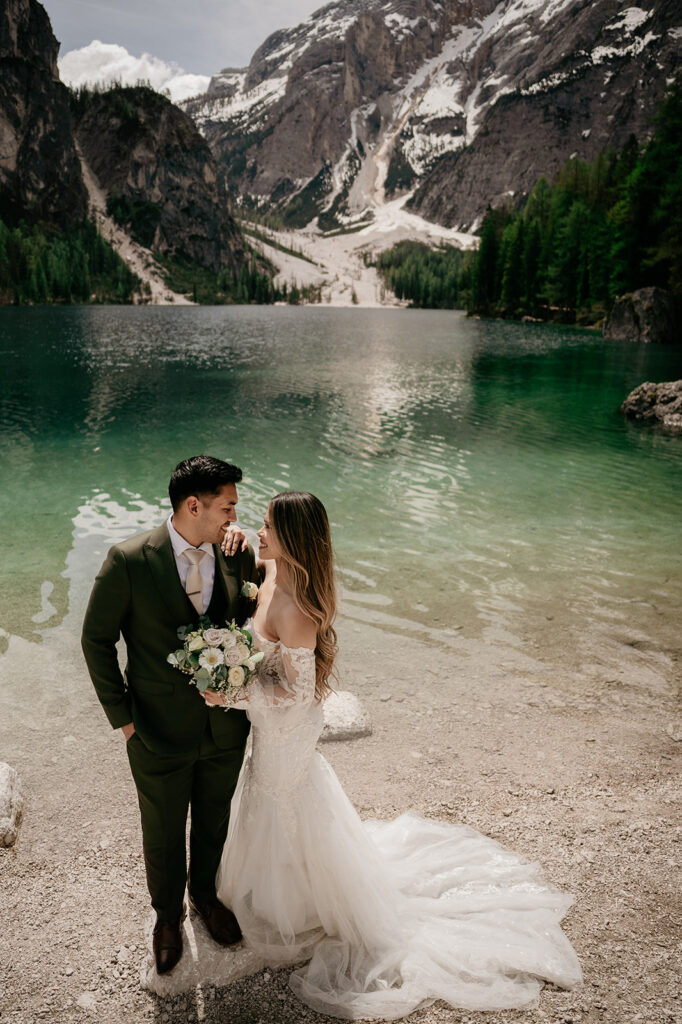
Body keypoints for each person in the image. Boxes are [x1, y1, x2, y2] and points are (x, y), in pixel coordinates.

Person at [201, 491, 583, 1020]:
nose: (258, 531)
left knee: (284, 803)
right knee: (268, 803)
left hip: (285, 735)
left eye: (266, 525)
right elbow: (259, 633)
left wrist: (233, 692)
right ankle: (275, 892)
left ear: (290, 540)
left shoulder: (298, 612)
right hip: (269, 734)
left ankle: (303, 906)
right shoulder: (270, 579)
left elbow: (298, 695)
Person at [81, 455, 260, 975]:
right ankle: (167, 917)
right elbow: (96, 640)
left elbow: (256, 614)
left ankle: (205, 896)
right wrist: (125, 718)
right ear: (192, 504)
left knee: (213, 820)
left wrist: (249, 541)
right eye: (227, 506)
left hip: (225, 726)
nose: (233, 515)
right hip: (155, 730)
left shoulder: (236, 553)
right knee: (161, 829)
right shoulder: (129, 560)